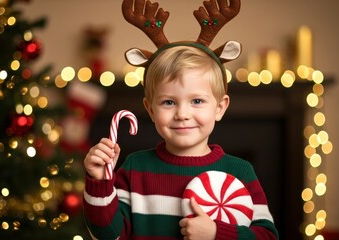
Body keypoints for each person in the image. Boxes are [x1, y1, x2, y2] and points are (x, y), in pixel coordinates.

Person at [82, 44, 279, 239]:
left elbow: (267, 236)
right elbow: (108, 236)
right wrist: (100, 182)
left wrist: (216, 233)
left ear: (219, 108)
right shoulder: (135, 168)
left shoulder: (240, 171)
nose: (182, 114)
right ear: (150, 110)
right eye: (169, 102)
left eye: (197, 101)